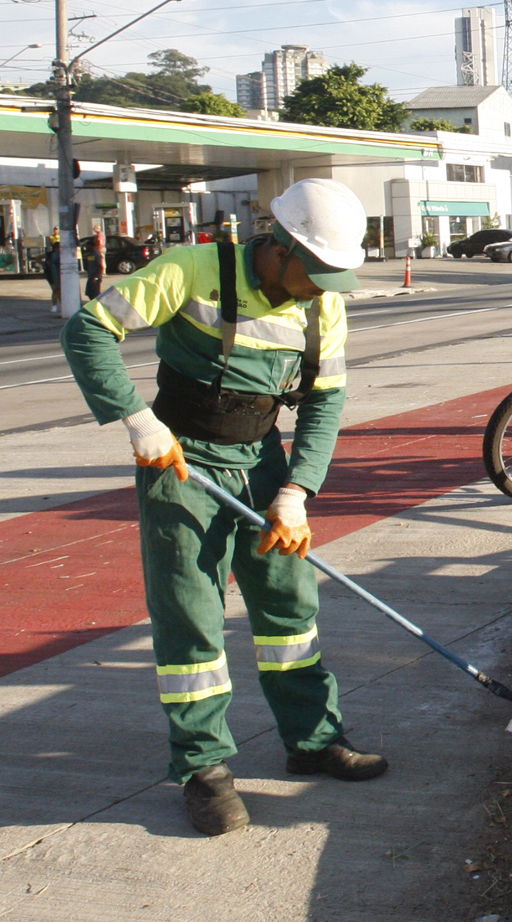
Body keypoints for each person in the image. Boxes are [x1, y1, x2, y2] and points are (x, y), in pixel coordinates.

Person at [59, 178, 384, 836]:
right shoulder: (195, 267)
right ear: (280, 245)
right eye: (316, 271)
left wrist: (297, 490)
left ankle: (313, 738)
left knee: (290, 607)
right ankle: (204, 769)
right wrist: (136, 419)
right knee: (192, 616)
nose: (323, 286)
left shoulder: (325, 308)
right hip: (180, 461)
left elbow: (324, 402)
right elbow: (88, 328)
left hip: (262, 463)